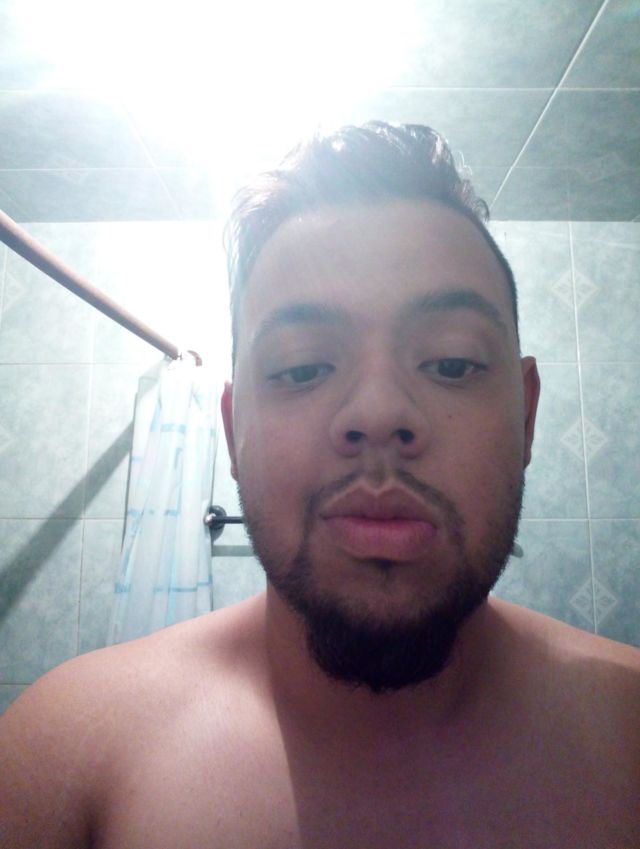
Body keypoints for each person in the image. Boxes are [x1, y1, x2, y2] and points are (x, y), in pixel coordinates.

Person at [1, 122, 639, 849]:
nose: (379, 412)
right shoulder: (67, 750)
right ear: (232, 431)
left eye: (453, 362)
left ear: (525, 416)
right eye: (303, 367)